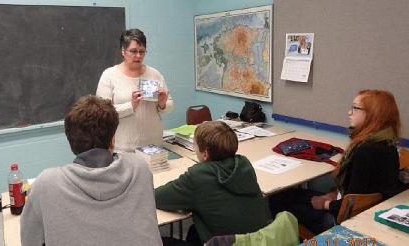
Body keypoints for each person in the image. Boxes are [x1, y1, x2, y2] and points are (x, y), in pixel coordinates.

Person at [20, 95, 162, 246]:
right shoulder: (140, 167)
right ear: (113, 139)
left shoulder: (46, 184)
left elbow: (30, 240)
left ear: (70, 140)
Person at [270, 89, 404, 234]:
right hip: (360, 209)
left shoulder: (363, 152)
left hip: (341, 220)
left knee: (278, 202)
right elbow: (360, 191)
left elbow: (350, 205)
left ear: (372, 115)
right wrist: (333, 194)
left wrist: (325, 203)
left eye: (355, 108)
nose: (349, 113)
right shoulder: (389, 145)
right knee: (290, 195)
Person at [155, 121, 272, 246]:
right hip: (259, 240)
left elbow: (157, 197)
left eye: (194, 145)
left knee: (160, 241)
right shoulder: (244, 165)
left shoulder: (198, 176)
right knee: (194, 231)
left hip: (227, 243)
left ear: (205, 154)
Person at [96, 28, 173, 153]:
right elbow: (103, 113)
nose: (138, 56)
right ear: (123, 51)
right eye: (133, 51)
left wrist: (163, 104)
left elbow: (168, 107)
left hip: (153, 146)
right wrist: (130, 105)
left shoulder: (155, 74)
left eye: (142, 51)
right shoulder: (109, 75)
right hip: (123, 148)